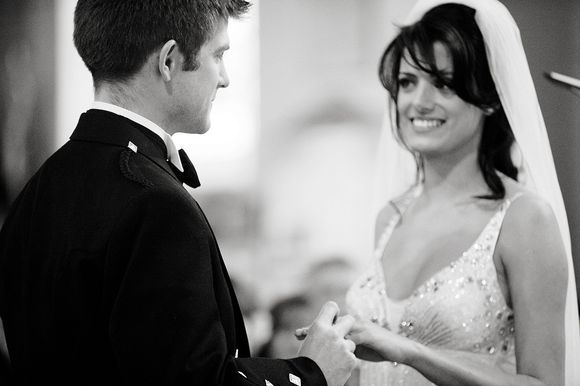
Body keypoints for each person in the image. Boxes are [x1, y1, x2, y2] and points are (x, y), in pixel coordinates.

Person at [0, 1, 357, 385]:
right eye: (218, 56)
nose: (225, 78)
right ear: (169, 61)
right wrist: (311, 372)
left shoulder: (38, 190)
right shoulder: (155, 205)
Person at [342, 0, 580, 385]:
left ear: (487, 97)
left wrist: (414, 352)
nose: (418, 102)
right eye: (407, 83)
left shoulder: (523, 218)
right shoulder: (390, 217)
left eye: (443, 83)